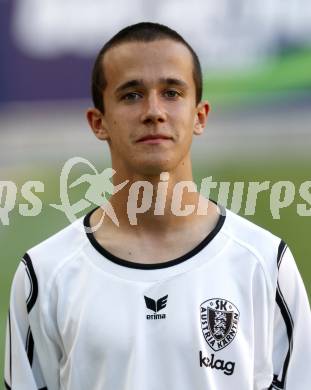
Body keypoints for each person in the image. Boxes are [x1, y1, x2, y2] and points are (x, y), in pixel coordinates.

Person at [4, 22, 311, 390]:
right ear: (98, 122)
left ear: (200, 115)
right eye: (132, 95)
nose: (154, 111)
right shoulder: (45, 275)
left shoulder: (264, 264)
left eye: (171, 92)